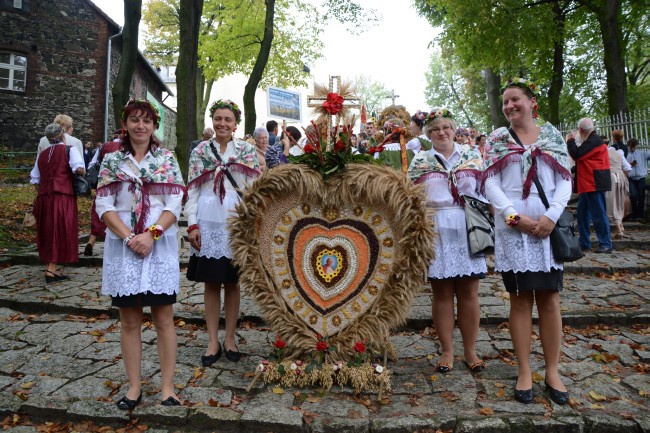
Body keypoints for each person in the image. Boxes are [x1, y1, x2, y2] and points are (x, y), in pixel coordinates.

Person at [484, 78, 572, 405]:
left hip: (547, 229)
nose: (509, 106)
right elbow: (490, 183)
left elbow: (565, 180)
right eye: (505, 102)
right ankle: (523, 370)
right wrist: (513, 217)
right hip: (513, 229)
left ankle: (552, 371)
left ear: (532, 101)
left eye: (515, 99)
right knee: (519, 300)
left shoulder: (552, 136)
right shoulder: (496, 139)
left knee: (549, 299)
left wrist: (551, 217)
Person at [95, 98, 186, 409]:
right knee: (130, 321)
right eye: (134, 119)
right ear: (125, 123)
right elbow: (104, 205)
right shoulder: (112, 161)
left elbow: (174, 204)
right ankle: (133, 387)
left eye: (146, 120)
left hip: (158, 247)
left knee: (163, 318)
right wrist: (131, 237)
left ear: (154, 125)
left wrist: (151, 235)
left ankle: (168, 387)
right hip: (124, 248)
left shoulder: (166, 159)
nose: (140, 126)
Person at [408, 108, 487, 375]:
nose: (441, 132)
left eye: (446, 128)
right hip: (436, 225)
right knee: (441, 293)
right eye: (435, 129)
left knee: (469, 293)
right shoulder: (421, 160)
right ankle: (446, 350)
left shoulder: (471, 155)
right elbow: (411, 198)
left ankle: (470, 349)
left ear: (454, 130)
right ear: (429, 134)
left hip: (467, 224)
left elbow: (486, 189)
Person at [186, 99, 260, 366]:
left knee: (232, 282)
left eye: (228, 119)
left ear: (236, 123)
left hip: (235, 221)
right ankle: (212, 341)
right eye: (218, 118)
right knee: (210, 283)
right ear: (212, 121)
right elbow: (192, 192)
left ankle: (229, 337)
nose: (222, 124)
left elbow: (254, 192)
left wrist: (252, 224)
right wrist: (191, 224)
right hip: (207, 220)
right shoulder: (200, 152)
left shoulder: (247, 152)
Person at [30, 123, 84, 283]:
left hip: (43, 197)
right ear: (63, 136)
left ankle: (51, 267)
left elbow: (35, 178)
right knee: (59, 229)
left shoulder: (43, 154)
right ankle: (51, 270)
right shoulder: (70, 149)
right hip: (62, 195)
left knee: (47, 230)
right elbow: (79, 168)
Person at [566, 118, 612, 253]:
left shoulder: (594, 141)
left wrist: (570, 140)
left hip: (594, 183)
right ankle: (584, 242)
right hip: (588, 183)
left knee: (598, 214)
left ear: (580, 130)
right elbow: (583, 161)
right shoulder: (592, 141)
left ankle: (606, 243)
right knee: (582, 214)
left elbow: (577, 155)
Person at [84, 133, 123, 256]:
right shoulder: (128, 146)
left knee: (98, 214)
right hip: (122, 185)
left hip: (105, 183)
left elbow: (92, 164)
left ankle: (90, 242)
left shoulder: (103, 147)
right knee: (118, 214)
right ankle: (114, 244)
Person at [606, 144, 631, 238]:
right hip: (622, 177)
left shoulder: (603, 152)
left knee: (611, 202)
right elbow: (628, 168)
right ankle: (621, 225)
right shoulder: (619, 153)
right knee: (620, 201)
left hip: (610, 177)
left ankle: (618, 228)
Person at [626, 139, 649, 222]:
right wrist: (630, 164)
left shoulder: (642, 153)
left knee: (641, 196)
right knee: (633, 196)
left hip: (641, 177)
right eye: (631, 147)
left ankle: (640, 215)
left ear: (636, 146)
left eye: (634, 147)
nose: (632, 149)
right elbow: (623, 164)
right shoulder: (626, 154)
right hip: (631, 178)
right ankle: (634, 214)